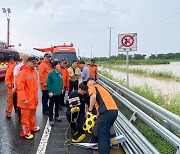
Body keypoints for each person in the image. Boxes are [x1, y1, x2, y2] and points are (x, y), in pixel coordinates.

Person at [86, 77, 118, 154]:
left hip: (106, 112)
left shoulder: (92, 86)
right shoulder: (100, 88)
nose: (87, 86)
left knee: (102, 135)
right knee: (106, 132)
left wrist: (89, 110)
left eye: (87, 84)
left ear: (90, 82)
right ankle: (106, 151)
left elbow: (93, 97)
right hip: (114, 111)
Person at [17, 57, 40, 140]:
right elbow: (20, 88)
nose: (35, 64)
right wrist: (24, 99)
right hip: (26, 100)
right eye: (34, 62)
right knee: (25, 118)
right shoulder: (22, 73)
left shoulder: (34, 71)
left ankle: (32, 127)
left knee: (32, 115)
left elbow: (34, 86)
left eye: (36, 62)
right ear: (28, 62)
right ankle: (25, 132)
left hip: (33, 99)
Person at [47, 61, 63, 127]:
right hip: (52, 93)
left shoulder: (59, 73)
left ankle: (56, 115)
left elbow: (61, 81)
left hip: (58, 92)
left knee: (57, 105)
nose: (59, 66)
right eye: (58, 65)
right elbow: (48, 83)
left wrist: (62, 89)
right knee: (51, 106)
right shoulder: (50, 74)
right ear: (54, 66)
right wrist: (50, 91)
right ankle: (50, 119)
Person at [13, 54, 29, 121]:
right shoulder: (18, 67)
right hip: (21, 87)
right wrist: (15, 87)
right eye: (26, 58)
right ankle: (21, 118)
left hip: (27, 88)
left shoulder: (29, 66)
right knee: (20, 102)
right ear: (24, 58)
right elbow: (15, 78)